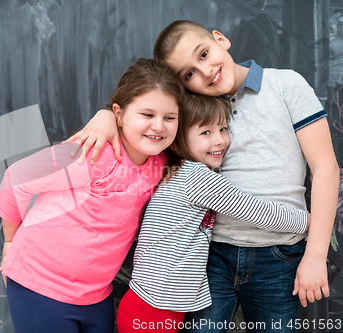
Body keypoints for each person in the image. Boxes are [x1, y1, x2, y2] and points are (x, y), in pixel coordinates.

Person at [67, 21, 339, 332]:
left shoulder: (285, 85)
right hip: (210, 256)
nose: (205, 71)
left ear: (221, 39)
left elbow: (326, 168)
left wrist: (317, 254)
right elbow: (144, 115)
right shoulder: (192, 108)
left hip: (278, 254)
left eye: (205, 54)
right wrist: (106, 116)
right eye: (188, 74)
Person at [0, 58, 185, 333]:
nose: (159, 126)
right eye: (147, 115)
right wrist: (10, 239)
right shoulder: (92, 153)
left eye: (169, 118)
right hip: (39, 286)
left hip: (96, 296)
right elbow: (17, 178)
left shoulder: (160, 164)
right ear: (118, 113)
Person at [116, 93, 309, 333]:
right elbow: (260, 212)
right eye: (205, 133)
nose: (219, 141)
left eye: (223, 129)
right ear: (177, 140)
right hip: (152, 309)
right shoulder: (196, 176)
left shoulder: (175, 169)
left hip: (154, 305)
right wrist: (310, 221)